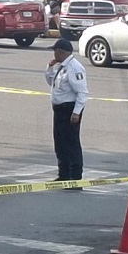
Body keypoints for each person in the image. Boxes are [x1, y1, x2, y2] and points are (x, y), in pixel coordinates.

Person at [45, 38, 88, 188]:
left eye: (55, 51)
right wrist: (50, 68)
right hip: (59, 110)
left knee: (71, 143)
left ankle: (75, 178)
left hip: (69, 110)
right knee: (60, 142)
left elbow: (82, 92)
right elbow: (52, 83)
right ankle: (63, 175)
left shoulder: (74, 68)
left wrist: (76, 113)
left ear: (61, 52)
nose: (54, 54)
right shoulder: (62, 66)